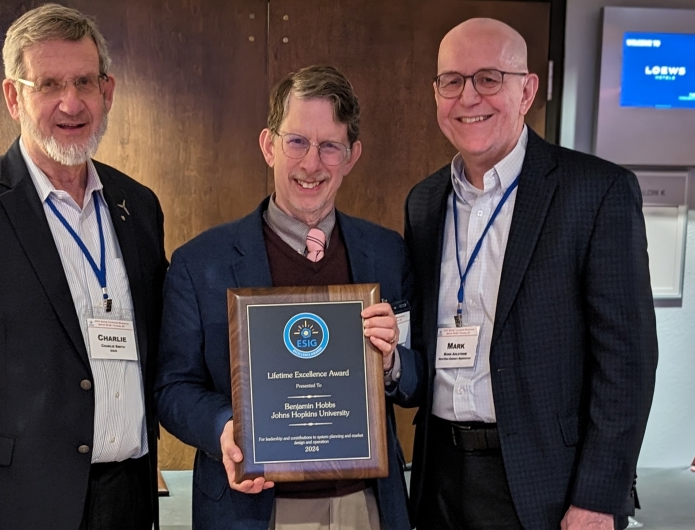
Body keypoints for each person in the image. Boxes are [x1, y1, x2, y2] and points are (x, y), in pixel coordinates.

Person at [0, 4, 166, 529]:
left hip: (131, 495)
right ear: (12, 96)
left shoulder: (138, 206)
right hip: (16, 504)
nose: (71, 102)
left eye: (84, 82)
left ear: (106, 91)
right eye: (47, 84)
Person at [403, 18, 658, 530]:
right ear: (436, 94)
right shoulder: (425, 202)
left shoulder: (596, 192)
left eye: (489, 78)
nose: (468, 97)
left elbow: (627, 362)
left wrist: (599, 496)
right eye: (451, 81)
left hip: (547, 485)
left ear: (527, 90)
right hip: (439, 480)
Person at [155, 65, 420, 530]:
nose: (311, 164)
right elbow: (172, 389)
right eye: (296, 141)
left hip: (365, 506)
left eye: (330, 146)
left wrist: (393, 363)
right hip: (252, 509)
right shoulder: (201, 263)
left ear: (352, 155)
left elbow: (417, 378)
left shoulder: (385, 253)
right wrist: (224, 428)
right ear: (268, 146)